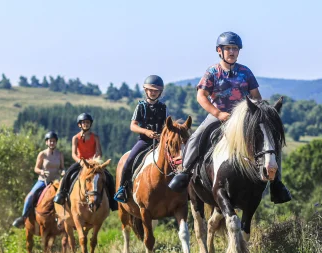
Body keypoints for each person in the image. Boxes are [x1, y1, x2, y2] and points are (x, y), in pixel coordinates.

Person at [168, 31, 262, 192]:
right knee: (195, 138)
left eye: (235, 48)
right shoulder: (212, 72)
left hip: (243, 118)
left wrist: (257, 114)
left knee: (269, 139)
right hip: (218, 116)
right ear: (220, 51)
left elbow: (256, 97)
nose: (232, 52)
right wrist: (218, 114)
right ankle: (184, 172)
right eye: (228, 48)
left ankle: (276, 182)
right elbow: (201, 96)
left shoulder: (246, 72)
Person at [114, 75, 168, 203]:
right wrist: (146, 132)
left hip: (160, 142)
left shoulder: (163, 108)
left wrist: (162, 135)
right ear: (145, 90)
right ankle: (122, 188)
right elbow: (133, 126)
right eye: (150, 90)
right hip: (144, 141)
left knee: (175, 159)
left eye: (156, 90)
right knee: (129, 161)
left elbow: (166, 125)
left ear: (160, 92)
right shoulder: (141, 106)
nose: (153, 92)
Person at [53, 113, 117, 210]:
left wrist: (96, 160)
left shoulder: (95, 137)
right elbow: (73, 154)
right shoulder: (75, 138)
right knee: (68, 174)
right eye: (84, 123)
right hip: (81, 163)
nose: (86, 124)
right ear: (80, 125)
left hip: (93, 164)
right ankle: (62, 194)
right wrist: (80, 161)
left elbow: (99, 152)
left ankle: (113, 201)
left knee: (109, 176)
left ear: (90, 124)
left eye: (87, 122)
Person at [12, 131, 65, 228]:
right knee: (30, 196)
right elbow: (36, 168)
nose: (52, 143)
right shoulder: (42, 154)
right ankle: (23, 218)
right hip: (43, 181)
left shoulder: (60, 154)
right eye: (50, 141)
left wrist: (63, 171)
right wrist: (41, 172)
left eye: (54, 141)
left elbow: (62, 167)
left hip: (56, 182)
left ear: (56, 142)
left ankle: (69, 219)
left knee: (66, 195)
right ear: (46, 142)